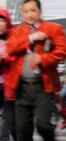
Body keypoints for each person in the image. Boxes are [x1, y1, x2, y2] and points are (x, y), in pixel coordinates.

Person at [5, 0, 66, 141]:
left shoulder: (54, 28)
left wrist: (43, 59)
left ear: (40, 11)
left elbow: (63, 51)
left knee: (44, 126)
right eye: (26, 11)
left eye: (33, 10)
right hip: (21, 88)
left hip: (43, 87)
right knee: (22, 131)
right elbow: (10, 49)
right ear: (22, 13)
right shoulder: (17, 31)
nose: (29, 15)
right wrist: (30, 38)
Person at [0, 8, 16, 141]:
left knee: (7, 118)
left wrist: (6, 57)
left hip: (9, 85)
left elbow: (19, 59)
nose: (0, 24)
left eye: (2, 20)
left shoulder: (13, 39)